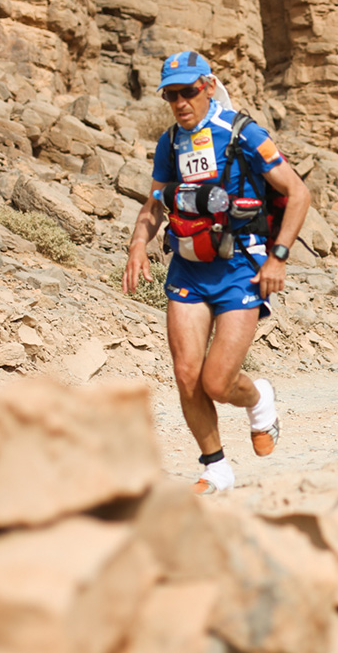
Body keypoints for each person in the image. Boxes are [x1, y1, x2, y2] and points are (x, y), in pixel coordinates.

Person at [123, 50, 310, 494]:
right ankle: (216, 467)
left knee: (217, 380)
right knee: (187, 374)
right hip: (188, 268)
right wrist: (137, 245)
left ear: (208, 86)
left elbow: (298, 193)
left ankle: (259, 398)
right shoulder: (170, 143)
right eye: (171, 95)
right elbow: (155, 203)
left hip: (242, 267)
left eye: (188, 92)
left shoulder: (243, 133)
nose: (180, 102)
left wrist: (277, 256)